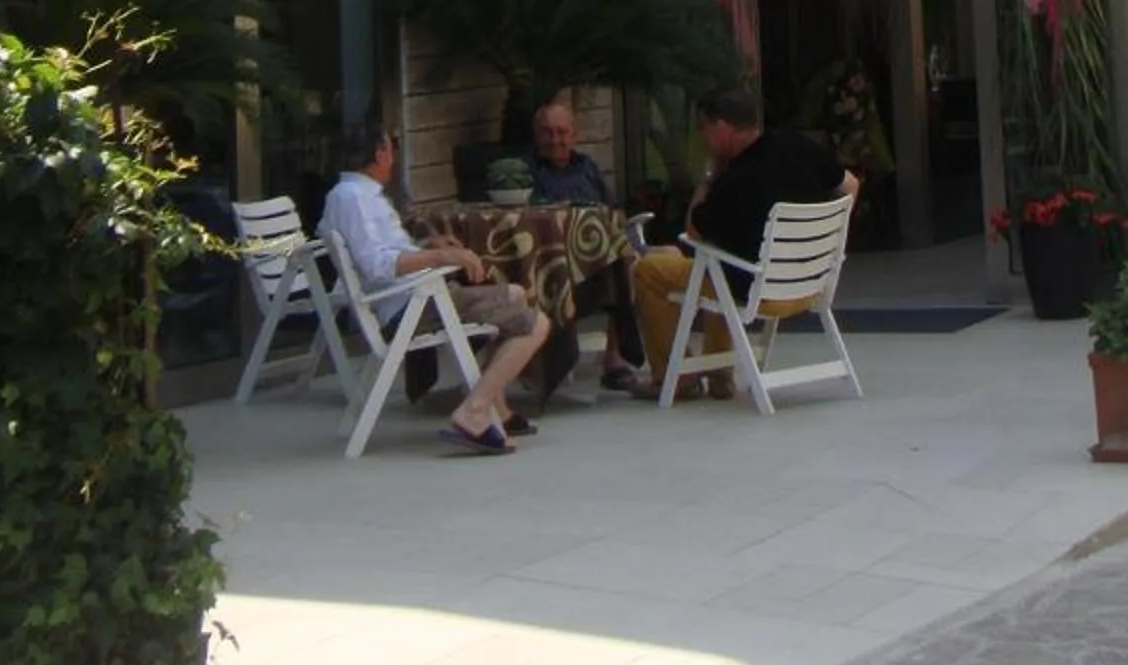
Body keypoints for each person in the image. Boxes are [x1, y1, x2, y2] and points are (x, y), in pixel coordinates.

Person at [319, 126, 549, 456]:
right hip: (410, 307)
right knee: (536, 324)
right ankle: (474, 411)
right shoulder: (353, 198)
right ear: (380, 154)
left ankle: (498, 409)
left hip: (409, 299)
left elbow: (383, 251)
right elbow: (377, 265)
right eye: (390, 150)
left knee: (514, 293)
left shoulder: (354, 194)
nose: (393, 159)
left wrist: (427, 245)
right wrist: (443, 256)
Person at [630, 83, 851, 400]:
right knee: (720, 259)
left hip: (759, 291)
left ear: (721, 128)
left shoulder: (735, 180)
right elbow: (851, 186)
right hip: (809, 283)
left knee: (650, 270)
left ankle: (676, 377)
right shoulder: (797, 145)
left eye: (704, 129)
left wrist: (709, 175)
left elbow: (694, 232)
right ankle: (720, 376)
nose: (703, 138)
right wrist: (831, 243)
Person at [528, 97, 647, 394]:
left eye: (562, 132)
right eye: (547, 132)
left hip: (597, 259)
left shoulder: (587, 167)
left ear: (574, 134)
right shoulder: (527, 172)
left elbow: (613, 211)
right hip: (552, 260)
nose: (555, 140)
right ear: (536, 135)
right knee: (619, 267)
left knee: (632, 266)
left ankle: (614, 358)